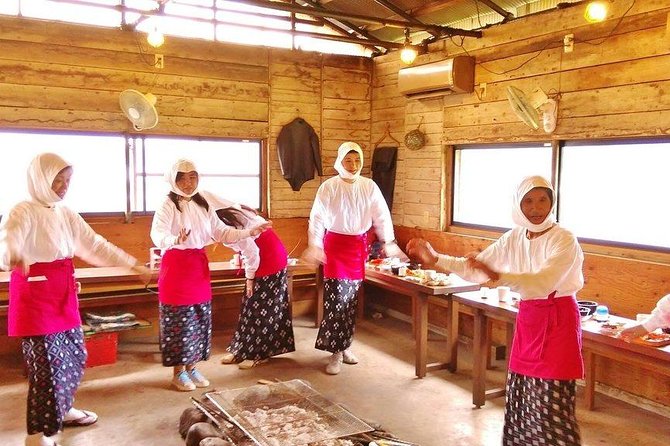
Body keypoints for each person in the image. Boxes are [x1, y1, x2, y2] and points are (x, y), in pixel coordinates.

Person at [406, 175, 584, 446]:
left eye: (542, 200)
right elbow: (477, 268)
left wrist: (496, 277)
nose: (536, 209)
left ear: (552, 202)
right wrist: (436, 258)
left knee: (551, 405)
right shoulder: (514, 237)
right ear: (518, 204)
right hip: (529, 319)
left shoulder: (564, 239)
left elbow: (543, 282)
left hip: (558, 322)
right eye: (528, 202)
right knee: (521, 400)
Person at [0, 153, 150, 446]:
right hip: (36, 298)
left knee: (75, 356)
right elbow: (7, 243)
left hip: (62, 294)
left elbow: (94, 244)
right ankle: (37, 434)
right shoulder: (21, 210)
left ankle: (63, 410)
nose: (63, 186)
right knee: (48, 368)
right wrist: (12, 256)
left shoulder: (64, 212)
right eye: (57, 179)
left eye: (67, 180)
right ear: (41, 178)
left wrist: (132, 265)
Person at [150, 159, 270, 391]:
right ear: (173, 180)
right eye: (182, 177)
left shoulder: (202, 202)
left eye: (192, 176)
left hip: (197, 266)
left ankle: (192, 368)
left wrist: (249, 231)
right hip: (176, 266)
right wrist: (174, 240)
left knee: (199, 318)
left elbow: (220, 231)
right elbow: (158, 233)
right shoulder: (167, 204)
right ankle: (178, 373)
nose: (188, 182)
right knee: (179, 321)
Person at [304, 141, 405, 375]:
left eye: (357, 160)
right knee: (337, 299)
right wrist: (315, 245)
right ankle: (335, 353)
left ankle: (345, 344)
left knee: (350, 301)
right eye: (348, 160)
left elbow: (381, 215)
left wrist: (389, 242)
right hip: (336, 247)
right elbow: (317, 217)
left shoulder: (369, 186)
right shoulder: (329, 187)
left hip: (358, 248)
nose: (353, 164)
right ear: (340, 161)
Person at [201, 191, 295, 369]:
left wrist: (250, 277)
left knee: (263, 308)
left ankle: (260, 353)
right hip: (263, 256)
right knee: (249, 306)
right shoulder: (229, 213)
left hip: (270, 259)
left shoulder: (227, 223)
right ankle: (240, 351)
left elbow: (251, 251)